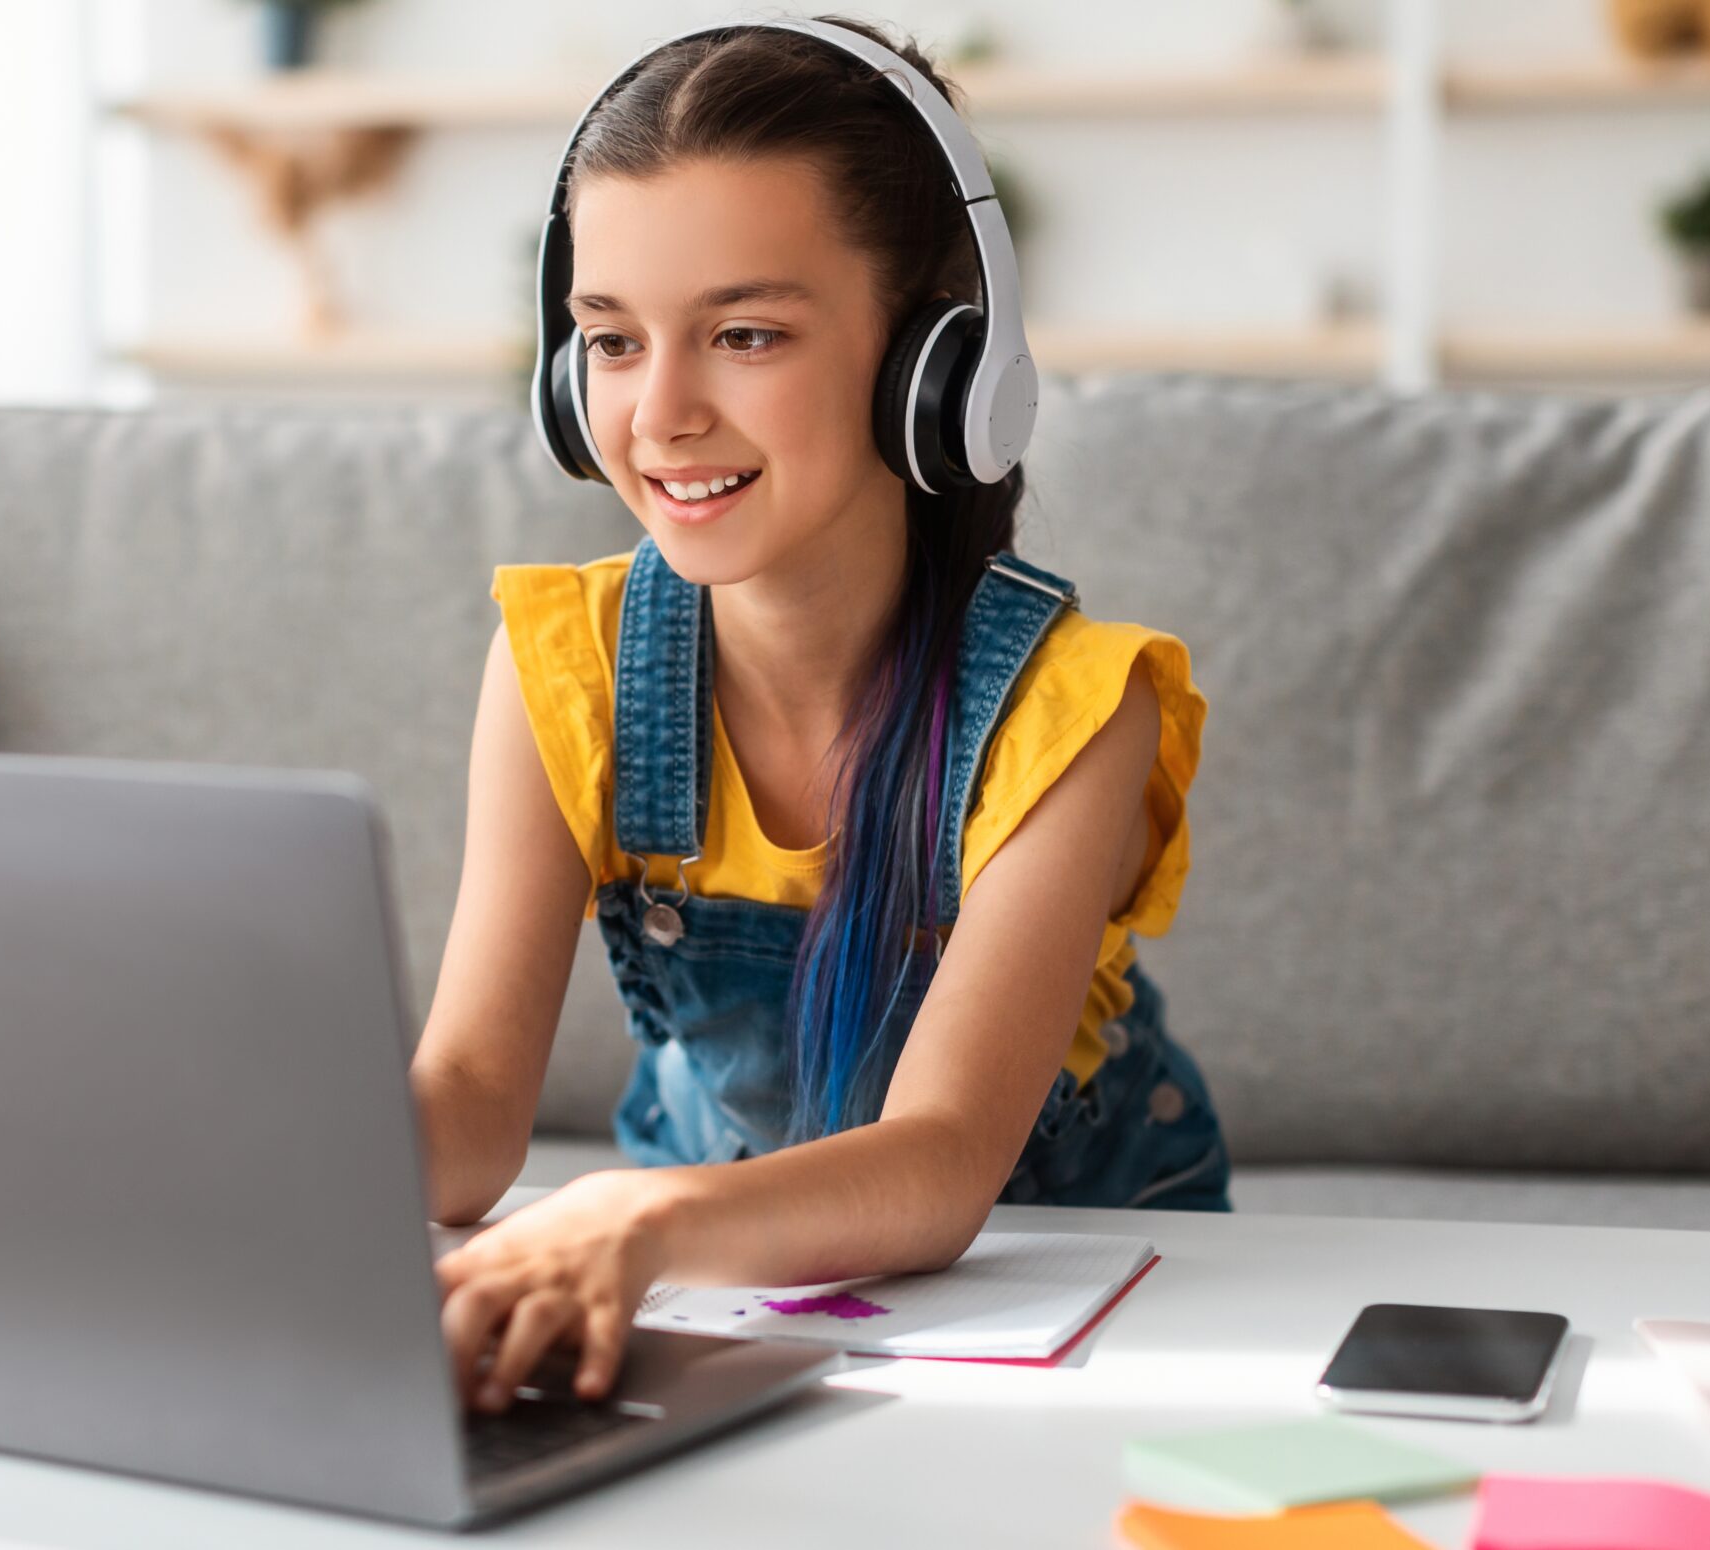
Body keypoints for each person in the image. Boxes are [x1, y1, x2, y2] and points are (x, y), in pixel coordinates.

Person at [408, 15, 1229, 1419]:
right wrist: (243, 1159)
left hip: (1065, 1296)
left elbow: (941, 1155)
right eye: (609, 340)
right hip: (723, 1287)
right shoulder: (567, 663)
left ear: (935, 369)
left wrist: (637, 1215)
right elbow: (475, 1104)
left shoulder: (1074, 707)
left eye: (743, 333)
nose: (658, 412)